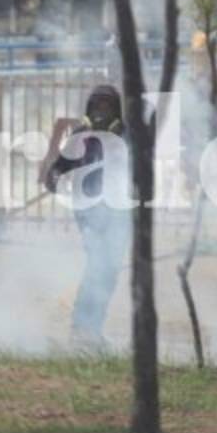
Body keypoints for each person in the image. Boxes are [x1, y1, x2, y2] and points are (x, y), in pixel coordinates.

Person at [44, 85, 131, 347]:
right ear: (90, 109)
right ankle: (82, 329)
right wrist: (55, 175)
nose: (101, 111)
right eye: (97, 106)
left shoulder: (126, 136)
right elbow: (60, 166)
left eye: (107, 106)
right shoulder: (81, 135)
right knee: (98, 265)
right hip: (88, 210)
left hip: (118, 210)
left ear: (116, 110)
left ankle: (91, 328)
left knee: (110, 270)